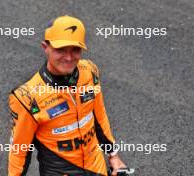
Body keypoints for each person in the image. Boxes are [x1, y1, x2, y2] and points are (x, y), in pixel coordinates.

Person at [8, 15, 127, 176]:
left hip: (96, 168)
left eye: (75, 50)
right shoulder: (27, 97)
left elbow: (99, 116)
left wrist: (113, 155)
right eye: (61, 50)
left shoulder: (90, 72)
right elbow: (19, 152)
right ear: (45, 47)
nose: (69, 57)